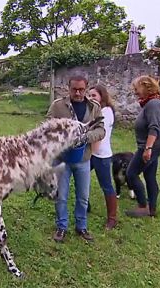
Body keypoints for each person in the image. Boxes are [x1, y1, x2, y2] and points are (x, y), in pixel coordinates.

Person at [46, 75, 105, 242]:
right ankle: (61, 227)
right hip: (61, 160)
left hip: (83, 159)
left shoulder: (94, 107)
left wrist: (84, 137)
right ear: (68, 88)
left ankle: (81, 227)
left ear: (86, 88)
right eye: (74, 89)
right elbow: (47, 126)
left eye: (81, 89)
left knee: (83, 197)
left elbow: (101, 130)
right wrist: (63, 136)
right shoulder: (58, 106)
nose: (78, 93)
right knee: (61, 196)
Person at [124, 75, 160, 218]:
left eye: (136, 88)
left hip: (151, 145)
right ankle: (152, 208)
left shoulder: (153, 104)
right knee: (150, 176)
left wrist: (148, 148)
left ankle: (143, 206)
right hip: (155, 145)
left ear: (146, 86)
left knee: (131, 173)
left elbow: (154, 127)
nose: (135, 91)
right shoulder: (152, 103)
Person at [87, 84, 118, 230]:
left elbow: (99, 136)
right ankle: (85, 205)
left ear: (102, 96)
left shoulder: (106, 112)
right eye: (90, 95)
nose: (91, 98)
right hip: (92, 153)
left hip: (101, 155)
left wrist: (90, 153)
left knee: (106, 186)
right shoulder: (95, 110)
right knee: (82, 177)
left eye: (94, 96)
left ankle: (112, 219)